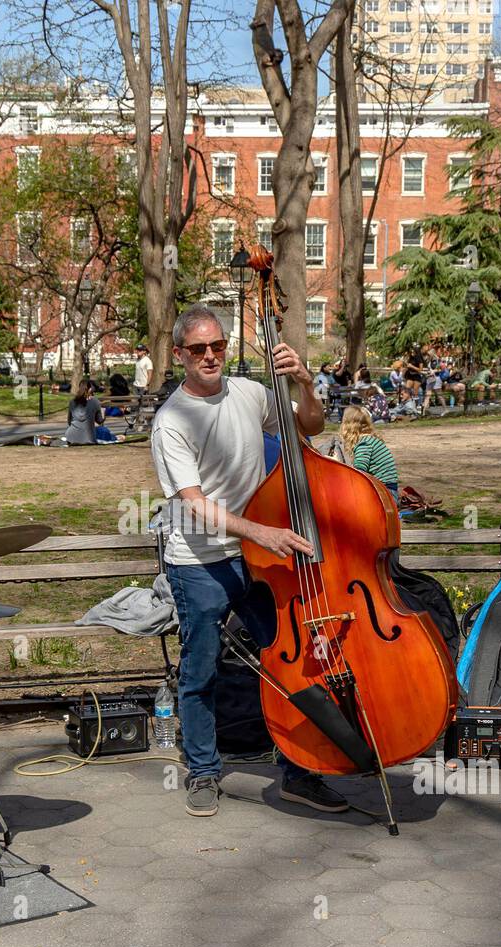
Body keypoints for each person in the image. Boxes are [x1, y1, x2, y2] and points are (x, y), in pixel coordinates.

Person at [150, 303, 350, 819]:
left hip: (261, 554)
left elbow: (306, 425)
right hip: (199, 561)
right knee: (201, 670)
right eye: (199, 349)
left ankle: (302, 774)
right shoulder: (171, 420)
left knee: (292, 657)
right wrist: (260, 529)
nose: (211, 356)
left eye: (218, 345)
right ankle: (202, 771)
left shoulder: (249, 392)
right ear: (180, 355)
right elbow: (193, 502)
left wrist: (305, 382)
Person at [340, 406, 399, 501]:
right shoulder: (371, 440)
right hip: (388, 490)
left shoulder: (364, 443)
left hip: (384, 494)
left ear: (347, 425)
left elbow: (359, 472)